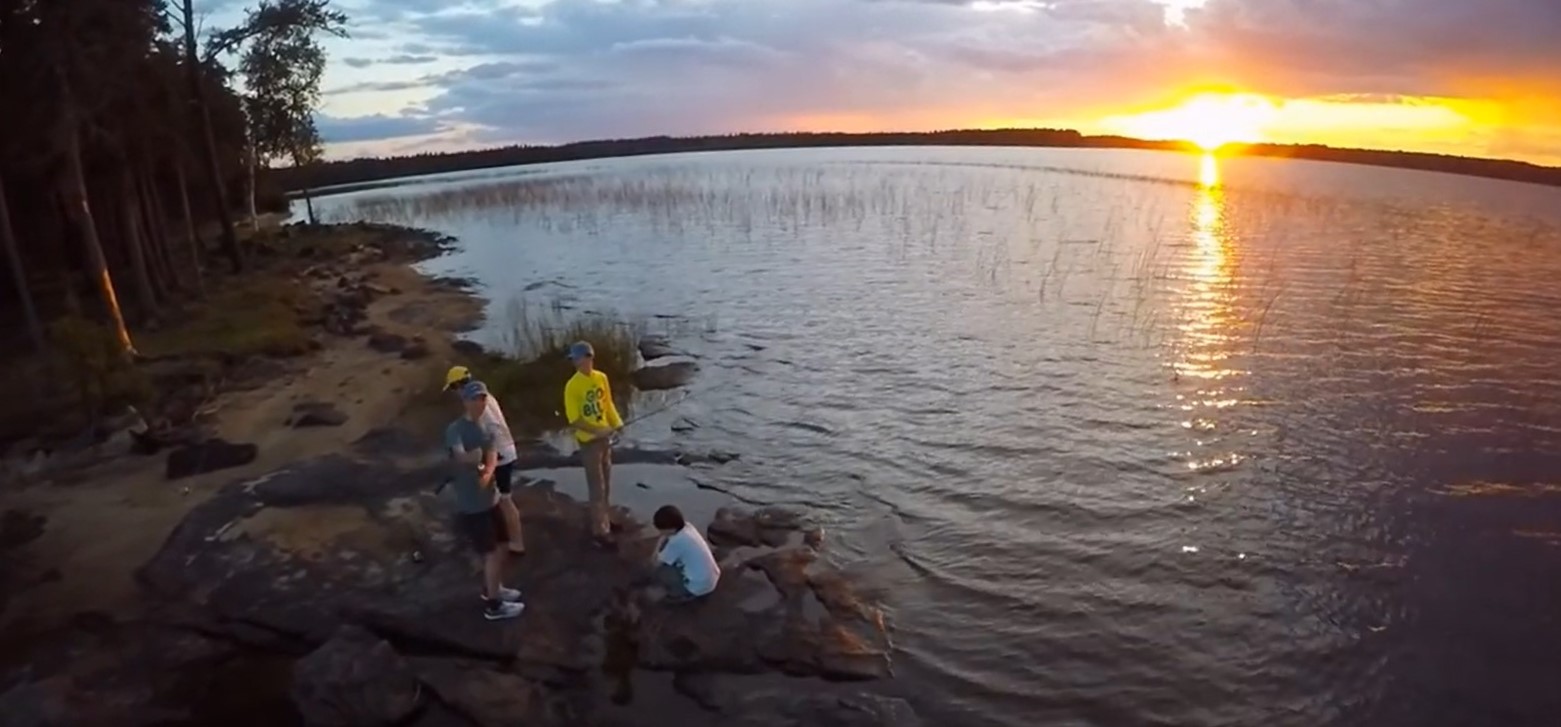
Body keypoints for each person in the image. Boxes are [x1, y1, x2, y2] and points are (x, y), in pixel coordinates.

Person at [446, 380, 525, 620]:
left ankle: (494, 588)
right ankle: (494, 605)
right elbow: (460, 456)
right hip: (472, 504)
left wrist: (486, 471)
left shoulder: (487, 429)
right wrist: (477, 459)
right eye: (474, 399)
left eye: (482, 398)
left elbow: (490, 459)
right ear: (465, 401)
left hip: (490, 500)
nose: (479, 403)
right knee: (490, 553)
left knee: (502, 545)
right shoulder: (455, 429)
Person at [444, 366, 524, 555]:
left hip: (501, 454)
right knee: (497, 497)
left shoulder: (477, 401)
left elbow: (490, 430)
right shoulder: (483, 395)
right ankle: (505, 538)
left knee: (503, 500)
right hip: (505, 449)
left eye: (454, 389)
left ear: (459, 385)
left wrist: (488, 456)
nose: (455, 394)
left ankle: (515, 542)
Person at [562, 341, 623, 547]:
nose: (575, 362)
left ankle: (605, 519)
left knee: (606, 482)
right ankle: (600, 530)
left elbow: (608, 404)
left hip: (605, 439)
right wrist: (597, 430)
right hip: (589, 442)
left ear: (588, 358)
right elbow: (574, 419)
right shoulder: (572, 385)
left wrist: (617, 424)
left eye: (578, 358)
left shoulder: (601, 378)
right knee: (596, 487)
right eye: (574, 359)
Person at [650, 505, 720, 603]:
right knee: (673, 560)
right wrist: (664, 536)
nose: (660, 532)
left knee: (660, 571)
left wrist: (658, 545)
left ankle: (681, 594)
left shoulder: (676, 542)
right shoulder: (688, 527)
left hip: (698, 587)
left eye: (661, 529)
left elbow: (655, 562)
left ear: (670, 529)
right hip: (712, 579)